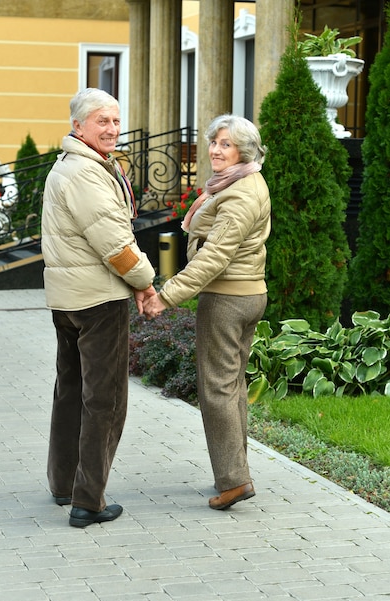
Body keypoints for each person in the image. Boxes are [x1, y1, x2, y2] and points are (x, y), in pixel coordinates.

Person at [143, 114, 271, 511]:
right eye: (213, 142)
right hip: (245, 293)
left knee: (216, 388)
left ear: (243, 151)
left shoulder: (240, 194)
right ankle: (236, 472)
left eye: (225, 144)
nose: (215, 150)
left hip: (228, 298)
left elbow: (214, 256)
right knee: (230, 387)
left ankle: (234, 481)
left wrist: (167, 295)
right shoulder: (239, 182)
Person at [41, 88, 156, 528]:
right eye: (102, 121)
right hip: (98, 301)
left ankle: (64, 483)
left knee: (70, 391)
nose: (112, 129)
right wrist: (146, 283)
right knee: (103, 400)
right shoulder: (86, 174)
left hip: (69, 298)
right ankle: (88, 500)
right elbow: (114, 244)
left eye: (115, 120)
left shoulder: (69, 166)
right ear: (78, 126)